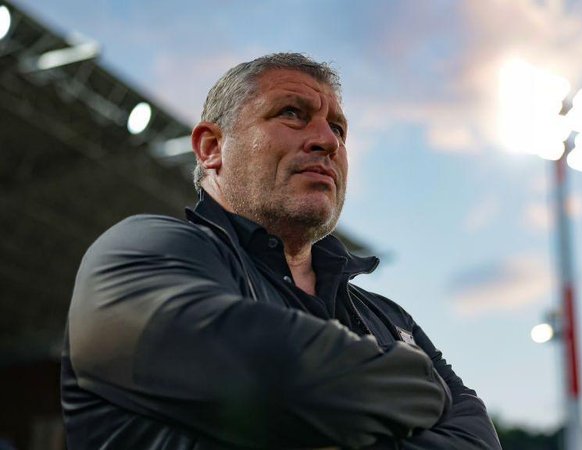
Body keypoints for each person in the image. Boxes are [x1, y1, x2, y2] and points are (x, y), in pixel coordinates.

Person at [61, 52, 501, 449]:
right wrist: (412, 384)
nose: (327, 141)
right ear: (212, 148)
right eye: (292, 113)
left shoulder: (388, 317)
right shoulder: (142, 251)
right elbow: (265, 382)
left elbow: (478, 441)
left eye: (338, 128)